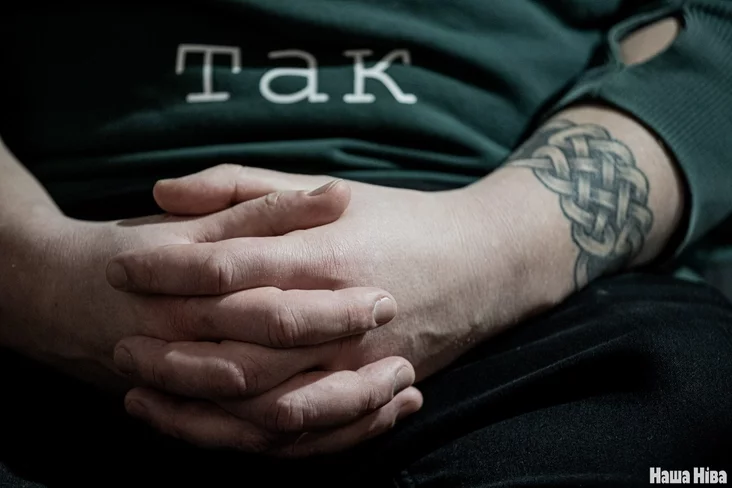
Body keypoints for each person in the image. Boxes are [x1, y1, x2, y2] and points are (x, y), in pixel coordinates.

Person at [1, 1, 731, 486]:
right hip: (62, 261)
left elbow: (713, 32)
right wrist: (40, 281)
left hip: (528, 260)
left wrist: (488, 248)